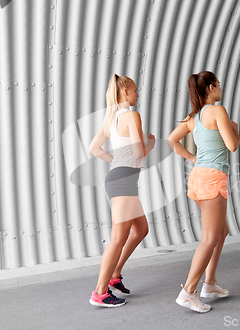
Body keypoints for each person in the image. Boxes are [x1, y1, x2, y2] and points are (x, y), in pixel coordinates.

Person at [167, 71, 240, 313]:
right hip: (212, 179)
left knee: (221, 231)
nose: (220, 88)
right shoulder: (218, 111)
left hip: (198, 178)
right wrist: (234, 128)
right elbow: (233, 145)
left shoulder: (193, 117)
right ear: (210, 88)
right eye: (217, 85)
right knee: (210, 238)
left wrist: (191, 157)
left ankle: (209, 284)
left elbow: (171, 140)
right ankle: (188, 292)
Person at [88, 74, 155, 307]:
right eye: (135, 90)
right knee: (118, 237)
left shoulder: (112, 118)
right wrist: (151, 143)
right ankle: (99, 292)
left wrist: (115, 159)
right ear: (125, 92)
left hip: (120, 178)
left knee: (141, 229)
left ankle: (115, 275)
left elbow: (94, 148)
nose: (138, 94)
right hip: (124, 181)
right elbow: (139, 153)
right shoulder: (131, 115)